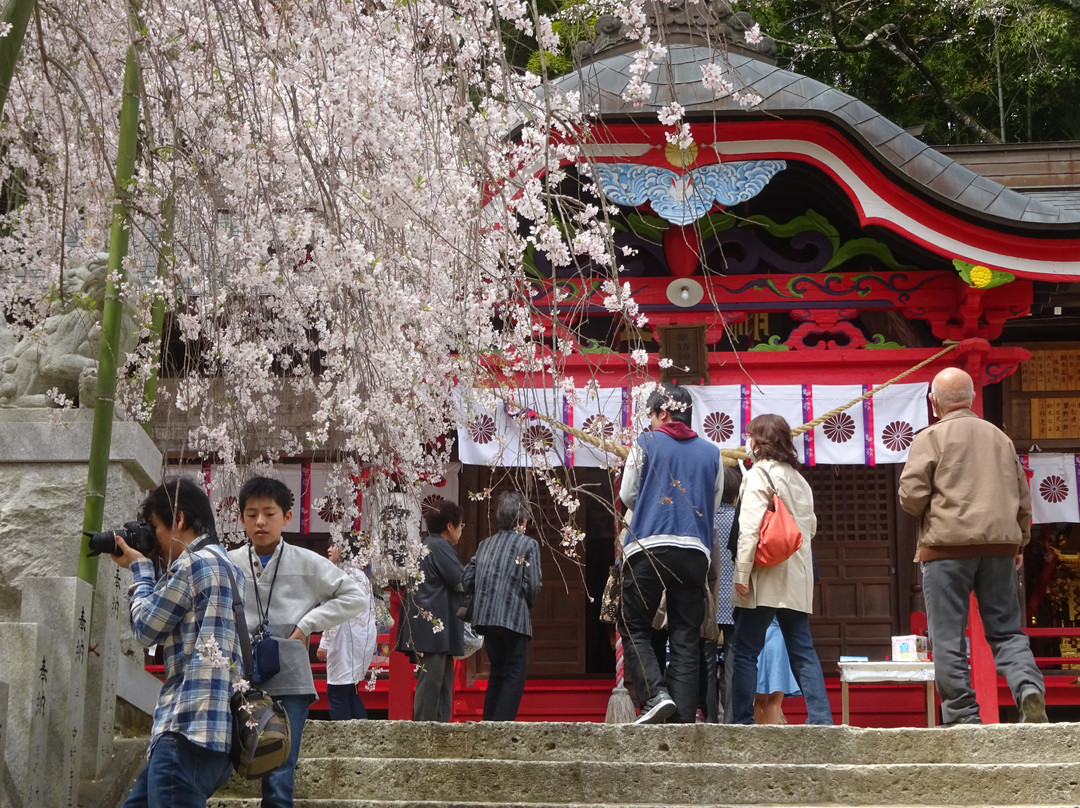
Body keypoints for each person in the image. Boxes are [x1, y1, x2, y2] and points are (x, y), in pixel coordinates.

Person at [898, 367, 1047, 726]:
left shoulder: (930, 437)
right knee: (1007, 630)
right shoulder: (1000, 438)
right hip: (1000, 546)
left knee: (948, 636)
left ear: (934, 402)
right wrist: (1019, 542)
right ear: (972, 398)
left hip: (946, 549)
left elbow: (911, 497)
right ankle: (1028, 687)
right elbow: (1023, 499)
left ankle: (963, 715)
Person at [229, 476, 367, 807]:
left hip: (290, 674)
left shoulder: (307, 562)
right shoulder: (227, 562)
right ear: (241, 519)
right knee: (225, 757)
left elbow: (355, 597)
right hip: (238, 674)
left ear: (287, 517)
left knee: (280, 769)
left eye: (269, 513)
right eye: (251, 514)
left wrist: (307, 624)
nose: (260, 522)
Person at [110, 477, 242, 808]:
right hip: (219, 732)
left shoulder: (193, 564)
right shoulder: (230, 566)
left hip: (186, 728)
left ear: (179, 519)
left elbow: (144, 628)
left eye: (154, 528)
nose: (153, 539)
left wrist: (141, 571)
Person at [619, 383, 724, 724]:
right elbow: (714, 500)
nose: (650, 423)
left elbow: (628, 493)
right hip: (694, 551)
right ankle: (679, 715)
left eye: (651, 415)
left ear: (662, 413)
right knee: (685, 633)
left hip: (648, 545)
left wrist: (653, 506)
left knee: (633, 623)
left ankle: (655, 694)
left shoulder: (645, 443)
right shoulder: (712, 453)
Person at [730, 413, 833, 725]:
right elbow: (810, 528)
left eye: (750, 436)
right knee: (802, 648)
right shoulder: (800, 480)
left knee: (746, 649)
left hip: (765, 575)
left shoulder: (759, 474)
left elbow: (749, 529)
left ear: (758, 441)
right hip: (797, 576)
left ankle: (743, 720)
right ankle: (821, 719)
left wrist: (742, 574)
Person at [463, 491, 542, 721]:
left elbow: (467, 578)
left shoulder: (485, 544)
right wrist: (527, 602)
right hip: (513, 616)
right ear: (521, 519)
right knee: (515, 672)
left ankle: (490, 723)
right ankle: (502, 726)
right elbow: (533, 584)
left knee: (497, 671)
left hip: (486, 617)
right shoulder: (528, 544)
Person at [395, 499, 467, 721]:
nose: (461, 529)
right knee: (433, 684)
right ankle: (424, 734)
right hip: (433, 628)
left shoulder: (428, 545)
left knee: (440, 683)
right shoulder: (439, 546)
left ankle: (438, 732)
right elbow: (461, 581)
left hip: (429, 627)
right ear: (450, 526)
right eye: (461, 524)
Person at [317, 542, 378, 720]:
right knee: (350, 691)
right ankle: (362, 737)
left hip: (344, 638)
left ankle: (343, 741)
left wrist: (324, 643)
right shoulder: (361, 575)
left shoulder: (341, 576)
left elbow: (334, 612)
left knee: (337, 693)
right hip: (361, 639)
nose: (329, 549)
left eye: (334, 545)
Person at [713, 465, 741, 723]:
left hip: (709, 600)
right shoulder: (741, 520)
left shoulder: (705, 519)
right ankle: (732, 719)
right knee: (734, 664)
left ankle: (709, 715)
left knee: (706, 661)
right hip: (736, 600)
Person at [754, 617, 801, 724]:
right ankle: (772, 737)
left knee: (760, 699)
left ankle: (757, 737)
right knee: (774, 699)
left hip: (758, 636)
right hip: (778, 640)